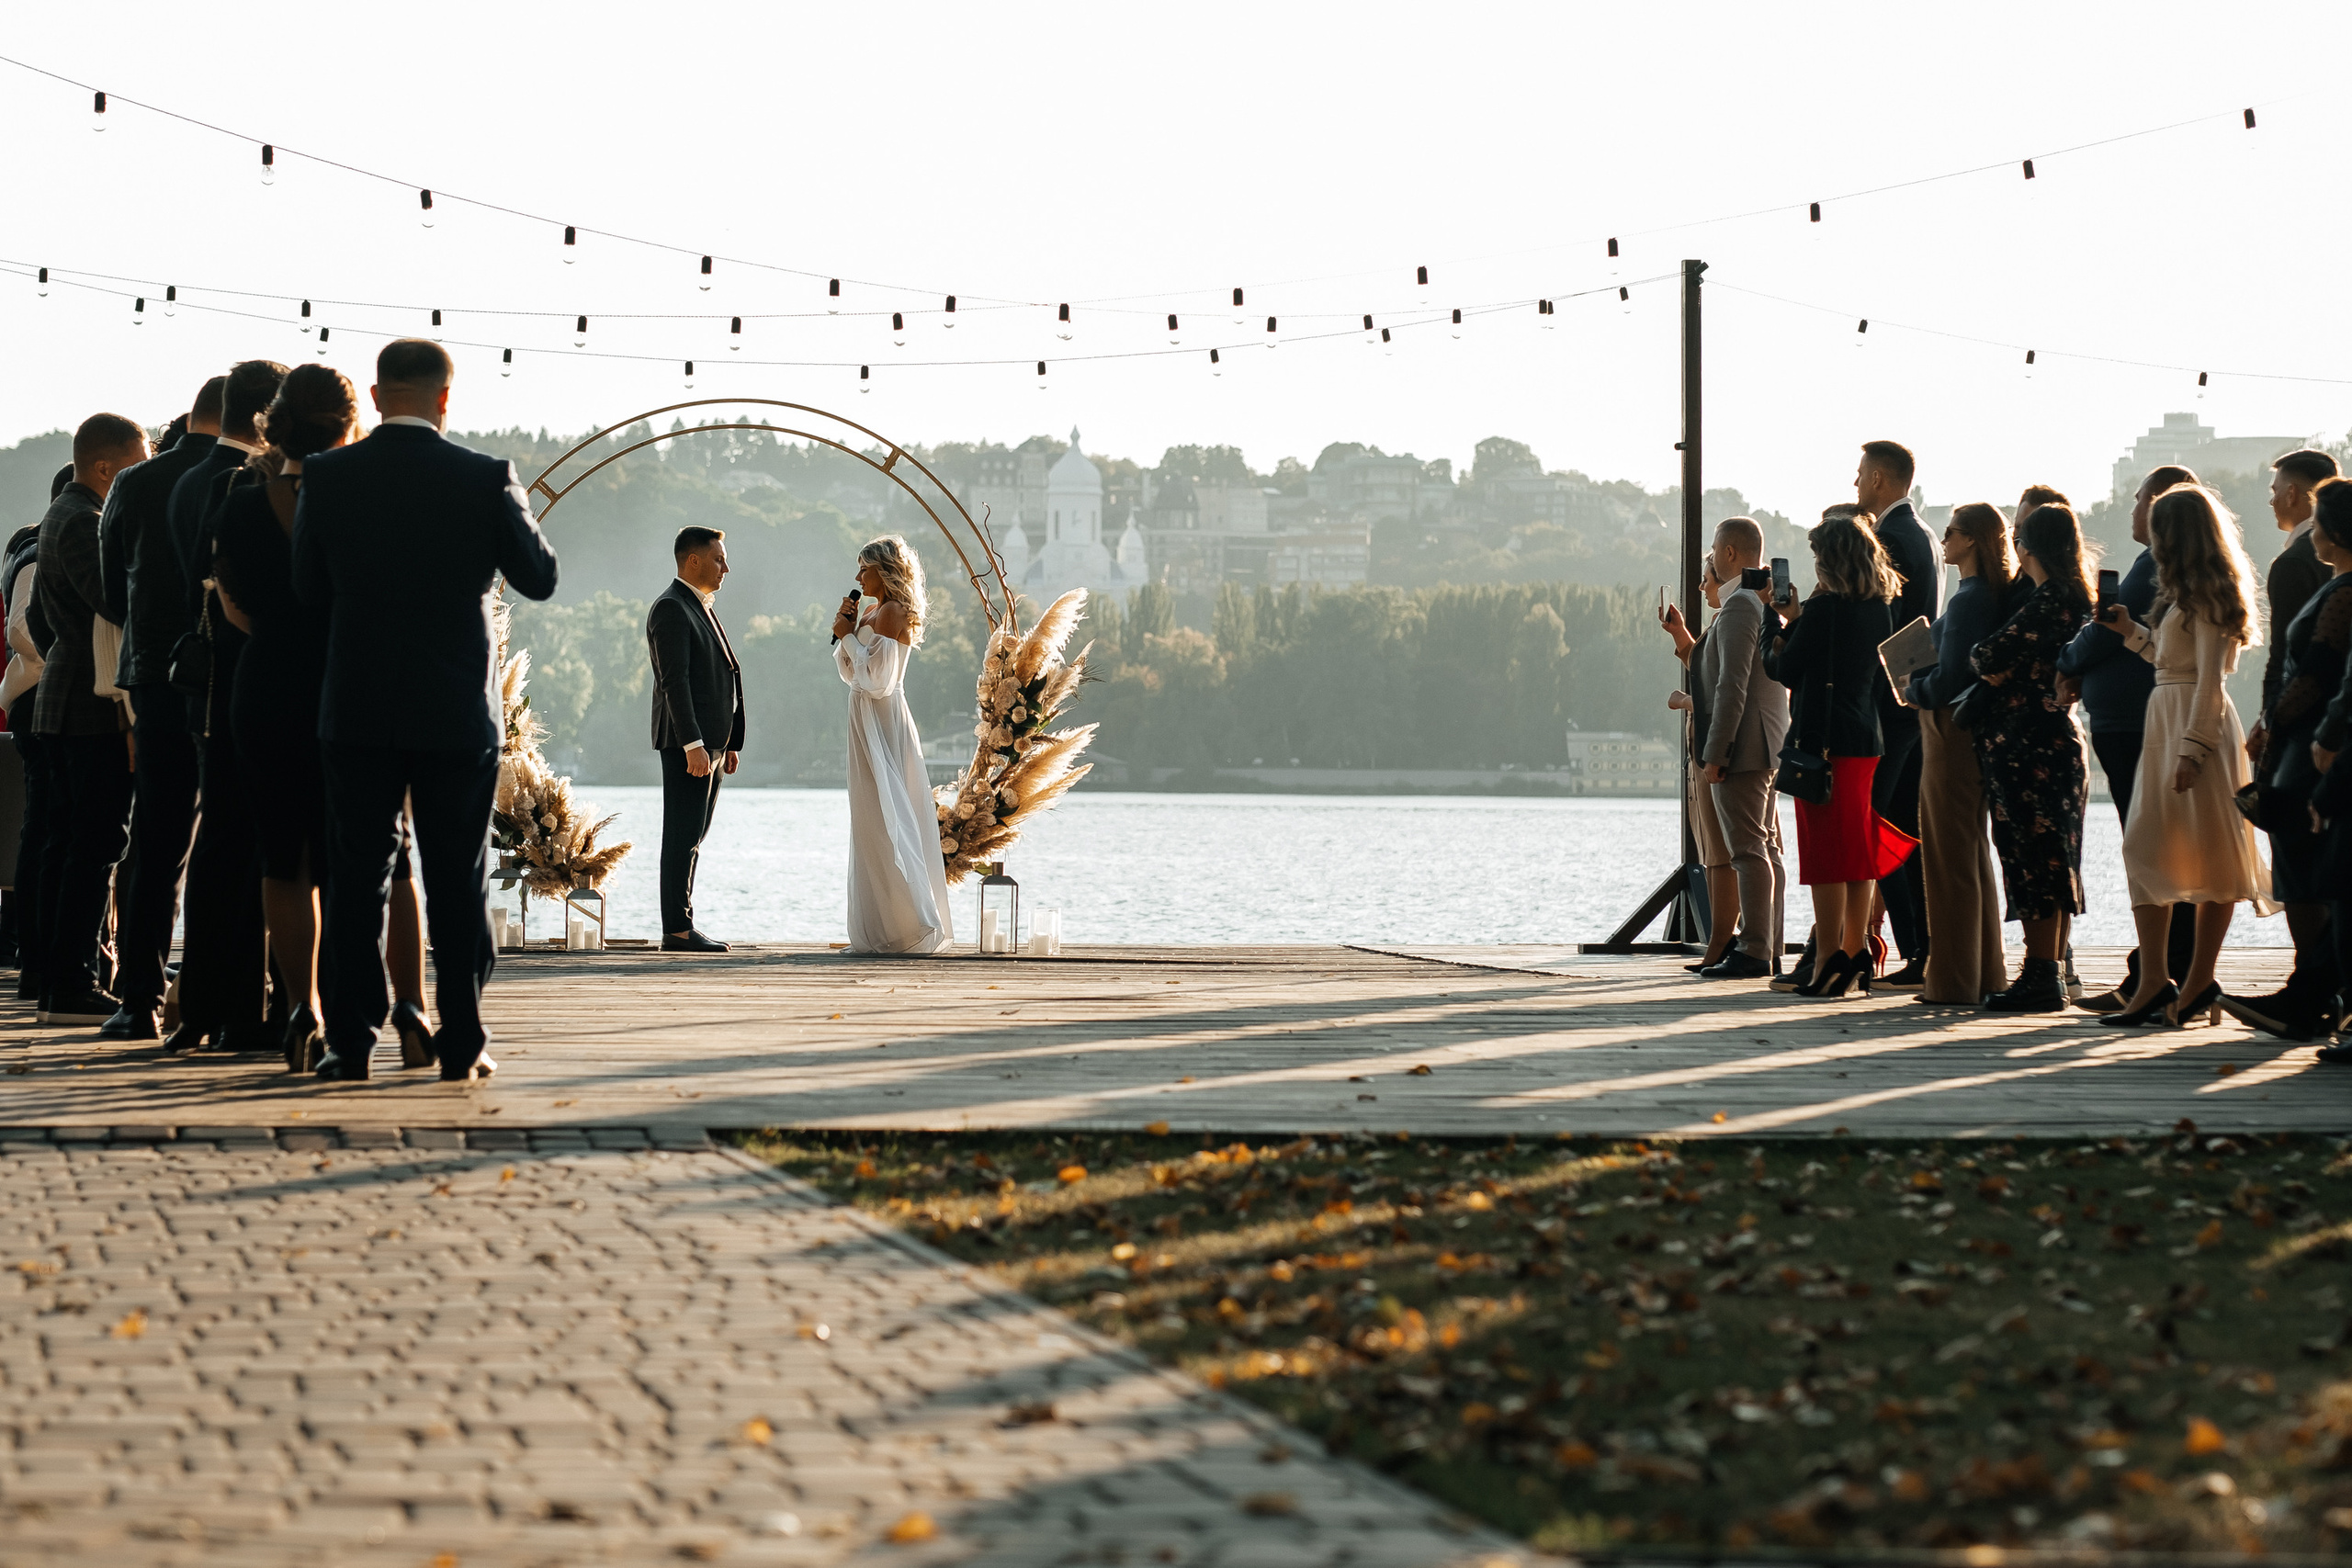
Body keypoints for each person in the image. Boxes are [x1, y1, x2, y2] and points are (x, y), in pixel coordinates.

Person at [294, 339, 559, 1081]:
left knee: (357, 878)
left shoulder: (328, 475)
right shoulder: (485, 478)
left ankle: (349, 1043)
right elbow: (538, 577)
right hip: (453, 710)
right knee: (455, 877)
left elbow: (307, 588)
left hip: (358, 704)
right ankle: (463, 1041)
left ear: (376, 397)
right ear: (447, 398)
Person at [2097, 483, 2273, 1028]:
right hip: (2167, 719)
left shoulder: (2211, 597)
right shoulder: (2181, 596)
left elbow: (2210, 684)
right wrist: (2131, 633)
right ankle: (2157, 981)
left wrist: (2193, 751)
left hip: (2194, 730)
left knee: (2213, 858)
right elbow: (2172, 664)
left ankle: (2195, 981)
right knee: (2144, 850)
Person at [90, 376, 224, 1039]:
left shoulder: (134, 484)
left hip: (153, 674)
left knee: (157, 836)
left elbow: (113, 590)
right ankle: (217, 989)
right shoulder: (251, 478)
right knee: (232, 837)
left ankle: (138, 994)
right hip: (228, 677)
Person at [166, 358, 288, 1055]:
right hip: (252, 681)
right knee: (253, 849)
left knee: (217, 847)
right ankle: (248, 1005)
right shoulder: (244, 485)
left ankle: (207, 998)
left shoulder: (184, 479)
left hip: (204, 686)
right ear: (271, 414)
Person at [2057, 465, 2199, 1010]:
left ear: (2160, 504)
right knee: (2153, 848)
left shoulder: (2151, 567)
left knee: (2148, 849)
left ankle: (2155, 973)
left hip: (2137, 726)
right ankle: (2158, 970)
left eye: (2140, 499)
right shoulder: (2165, 565)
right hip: (2134, 721)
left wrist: (2066, 661)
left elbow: (2106, 631)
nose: (2134, 509)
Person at [1762, 509, 1914, 998]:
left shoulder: (1825, 610)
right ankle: (1856, 952)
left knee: (1825, 855)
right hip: (1864, 741)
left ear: (1830, 560)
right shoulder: (1878, 607)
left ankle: (1828, 956)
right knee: (1857, 852)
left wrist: (1775, 623)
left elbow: (1784, 668)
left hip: (1820, 744)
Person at [28, 413, 149, 1024]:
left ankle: (54, 974)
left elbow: (45, 618)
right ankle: (70, 978)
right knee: (96, 842)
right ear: (106, 467)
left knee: (70, 841)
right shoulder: (82, 519)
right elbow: (114, 599)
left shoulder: (68, 512)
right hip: (84, 703)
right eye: (137, 462)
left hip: (66, 694)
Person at [2225, 478, 2352, 1040]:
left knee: (2311, 867)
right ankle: (2313, 992)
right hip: (2310, 739)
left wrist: (2276, 721)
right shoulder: (2335, 585)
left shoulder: (2344, 593)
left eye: (2321, 522)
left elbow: (2319, 669)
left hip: (2316, 744)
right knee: (2318, 870)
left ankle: (2313, 995)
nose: (2314, 531)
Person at [1967, 502, 2094, 1011]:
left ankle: (2040, 973)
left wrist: (1989, 664)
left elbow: (1987, 654)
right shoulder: (2077, 596)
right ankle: (2050, 970)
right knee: (2055, 860)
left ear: (2027, 547)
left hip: (2029, 746)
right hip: (2052, 741)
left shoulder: (2048, 600)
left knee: (2032, 860)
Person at [1897, 502, 2019, 1006]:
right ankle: (1983, 972)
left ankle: (1951, 979)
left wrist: (1911, 687)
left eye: (1950, 532)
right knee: (1970, 858)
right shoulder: (1985, 594)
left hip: (1948, 734)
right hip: (1965, 736)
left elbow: (1951, 677)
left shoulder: (1969, 599)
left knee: (1949, 862)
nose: (1943, 540)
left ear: (1971, 540)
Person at [831, 535, 953, 955]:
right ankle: (878, 926)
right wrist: (846, 631)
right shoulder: (871, 611)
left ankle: (908, 923)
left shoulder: (892, 611)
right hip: (863, 719)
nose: (857, 576)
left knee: (890, 816)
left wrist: (849, 636)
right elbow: (852, 674)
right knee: (868, 818)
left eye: (863, 568)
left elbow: (878, 682)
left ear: (883, 571)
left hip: (882, 720)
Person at [1852, 441, 1936, 987]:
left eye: (1860, 475)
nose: (1855, 483)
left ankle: (1852, 946)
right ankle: (1920, 951)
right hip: (1915, 703)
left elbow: (1886, 622)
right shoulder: (1925, 534)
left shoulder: (1890, 538)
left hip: (1888, 706)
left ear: (1881, 478)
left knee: (1873, 831)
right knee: (1902, 833)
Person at [1694, 516, 1788, 978]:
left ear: (1730, 553)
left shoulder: (1739, 607)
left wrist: (1717, 753)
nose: (1710, 557)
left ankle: (1753, 948)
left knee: (1749, 851)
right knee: (1765, 849)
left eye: (1714, 549)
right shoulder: (1759, 603)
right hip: (1766, 743)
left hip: (1744, 747)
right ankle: (1766, 945)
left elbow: (1731, 687)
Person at [647, 525, 744, 953]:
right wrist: (693, 745)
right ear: (693, 560)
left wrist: (730, 743)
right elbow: (675, 682)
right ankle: (678, 931)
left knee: (695, 835)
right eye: (719, 559)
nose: (727, 567)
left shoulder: (698, 605)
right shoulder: (671, 607)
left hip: (712, 747)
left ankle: (682, 926)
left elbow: (725, 674)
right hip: (690, 746)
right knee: (682, 836)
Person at [1660, 554, 1739, 972]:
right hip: (1708, 750)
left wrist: (1686, 701)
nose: (1701, 586)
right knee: (1713, 852)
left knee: (1724, 855)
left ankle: (1729, 944)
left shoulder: (1737, 614)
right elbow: (1708, 669)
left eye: (1705, 578)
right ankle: (1723, 942)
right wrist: (1680, 635)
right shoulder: (1724, 619)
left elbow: (1730, 689)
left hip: (1720, 753)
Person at [3, 497, 55, 1001]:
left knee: (41, 826)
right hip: (40, 697)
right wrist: (65, 651)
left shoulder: (26, 547)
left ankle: (30, 948)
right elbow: (19, 629)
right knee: (46, 826)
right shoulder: (39, 553)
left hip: (32, 697)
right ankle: (35, 953)